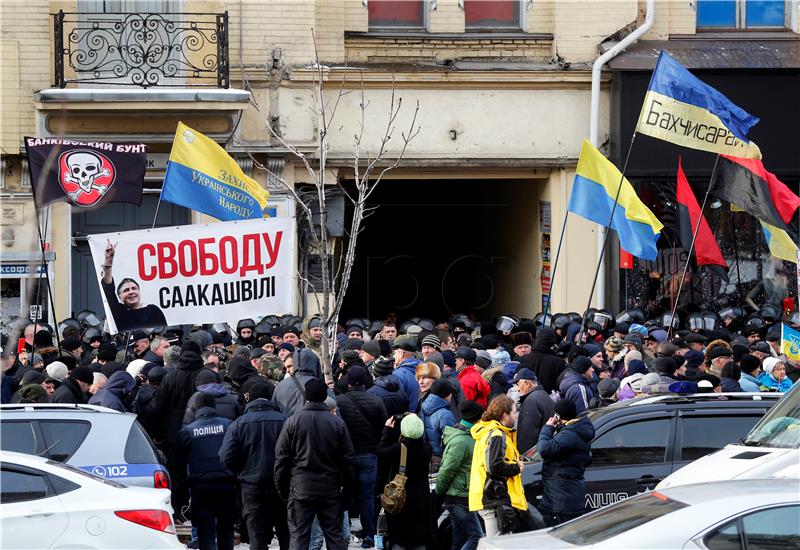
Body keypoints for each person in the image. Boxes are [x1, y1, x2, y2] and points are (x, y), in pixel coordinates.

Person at [274, 378, 355, 550]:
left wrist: (283, 490)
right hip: (330, 488)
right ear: (325, 396)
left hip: (301, 489)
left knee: (299, 537)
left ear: (306, 396)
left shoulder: (293, 422)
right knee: (334, 536)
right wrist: (347, 493)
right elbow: (348, 460)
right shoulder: (337, 423)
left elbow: (281, 459)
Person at [219, 382, 289, 550]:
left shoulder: (239, 424)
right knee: (286, 533)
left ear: (248, 397)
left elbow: (226, 456)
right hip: (282, 484)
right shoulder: (284, 420)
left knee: (257, 536)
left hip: (251, 485)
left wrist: (241, 471)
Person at [334, 366, 388, 548]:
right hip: (369, 455)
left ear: (348, 382)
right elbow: (383, 429)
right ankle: (368, 536)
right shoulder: (376, 401)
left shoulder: (339, 401)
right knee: (367, 498)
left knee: (344, 496)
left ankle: (342, 535)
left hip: (346, 456)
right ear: (365, 381)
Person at [174, 392, 236, 550]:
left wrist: (180, 499)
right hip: (227, 486)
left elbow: (178, 466)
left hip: (200, 489)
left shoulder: (187, 432)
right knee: (226, 531)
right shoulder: (229, 425)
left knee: (205, 534)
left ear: (195, 408)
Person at [468, 395, 526, 538]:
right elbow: (494, 466)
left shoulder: (490, 432)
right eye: (514, 412)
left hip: (490, 496)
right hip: (493, 497)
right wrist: (516, 467)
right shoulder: (496, 434)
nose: (516, 416)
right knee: (496, 544)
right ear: (504, 415)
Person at [377, 413, 434, 550]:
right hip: (421, 500)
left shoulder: (398, 449)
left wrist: (387, 430)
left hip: (401, 499)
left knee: (400, 539)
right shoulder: (427, 449)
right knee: (418, 539)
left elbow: (380, 451)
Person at [537, 399, 595, 527]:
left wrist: (548, 428)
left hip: (563, 500)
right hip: (566, 497)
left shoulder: (570, 434)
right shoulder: (573, 430)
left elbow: (544, 449)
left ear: (558, 416)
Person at [436, 400, 484, 550]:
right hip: (459, 498)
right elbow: (447, 469)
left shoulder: (467, 436)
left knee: (459, 538)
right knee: (477, 537)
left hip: (460, 496)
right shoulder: (462, 441)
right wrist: (439, 491)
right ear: (476, 418)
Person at [100, 239, 166, 331]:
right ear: (120, 297)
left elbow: (162, 330)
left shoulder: (152, 310)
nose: (131, 292)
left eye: (134, 288)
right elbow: (108, 288)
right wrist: (108, 260)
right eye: (126, 290)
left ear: (139, 292)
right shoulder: (118, 312)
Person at [513, 368, 554, 454]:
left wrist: (525, 457)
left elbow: (528, 435)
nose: (517, 389)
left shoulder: (531, 400)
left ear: (527, 383)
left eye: (518, 384)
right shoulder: (543, 395)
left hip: (535, 456)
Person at [420, 378, 457, 465]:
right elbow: (452, 442)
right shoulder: (446, 415)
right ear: (447, 394)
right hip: (440, 458)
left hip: (427, 456)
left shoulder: (423, 406)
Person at [518, 328, 565, 395]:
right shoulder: (558, 362)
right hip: (549, 400)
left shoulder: (523, 359)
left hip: (526, 398)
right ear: (552, 343)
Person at [391, 340, 423, 412]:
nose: (393, 356)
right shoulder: (424, 367)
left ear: (402, 354)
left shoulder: (398, 374)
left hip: (407, 417)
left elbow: (398, 400)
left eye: (395, 353)